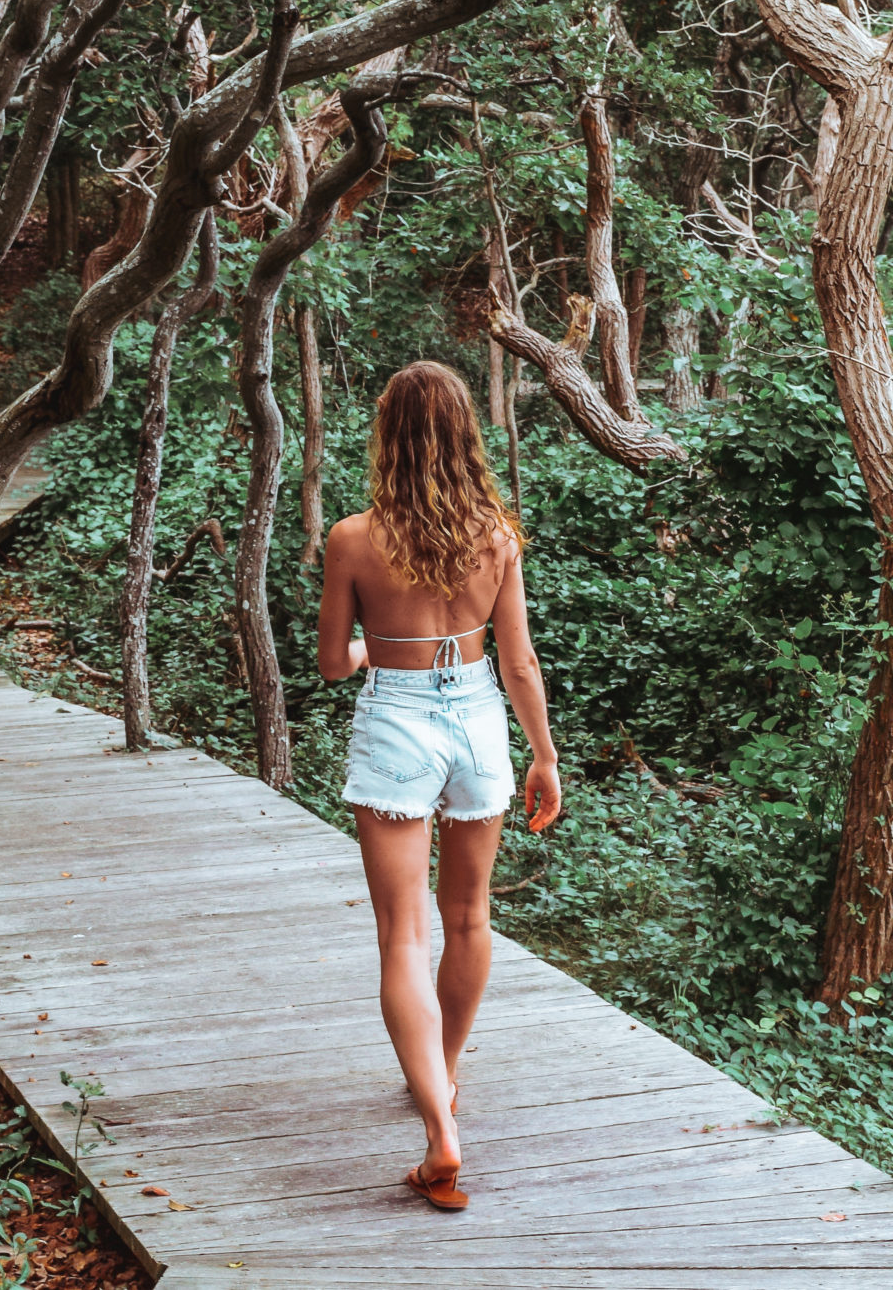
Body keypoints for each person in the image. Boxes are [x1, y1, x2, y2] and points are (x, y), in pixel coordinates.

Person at [316, 360, 562, 1213]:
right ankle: (443, 1078)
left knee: (402, 936)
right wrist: (545, 756)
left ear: (389, 434)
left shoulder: (352, 539)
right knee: (469, 918)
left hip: (398, 722)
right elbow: (519, 660)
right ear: (465, 434)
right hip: (481, 722)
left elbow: (330, 661)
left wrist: (373, 652)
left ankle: (439, 1131)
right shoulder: (497, 535)